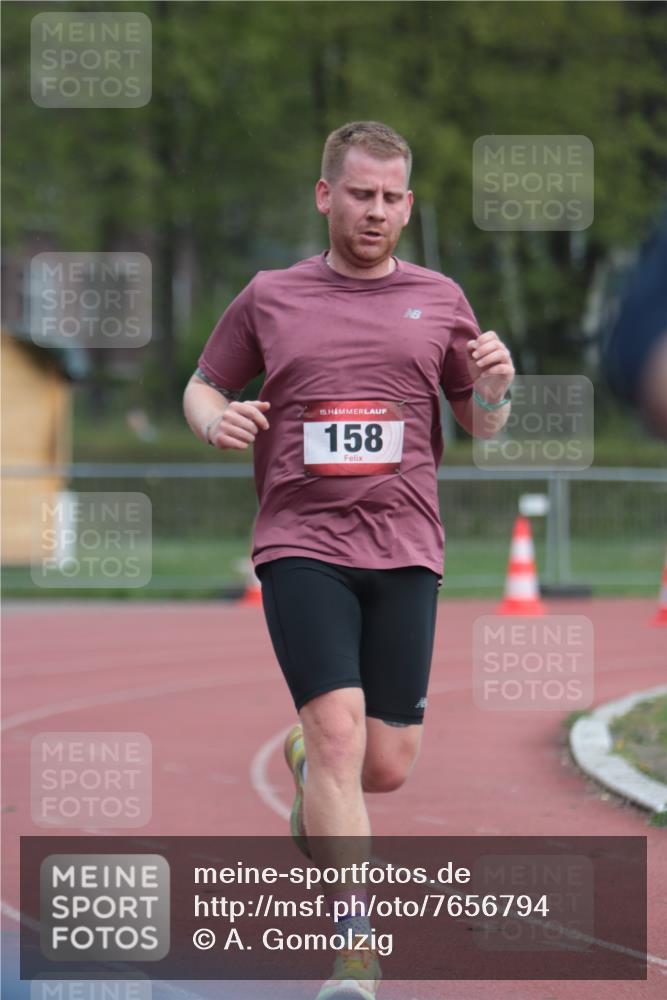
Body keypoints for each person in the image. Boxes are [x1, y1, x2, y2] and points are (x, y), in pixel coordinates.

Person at [183, 121, 514, 1000]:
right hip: (301, 543)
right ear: (325, 195)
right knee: (339, 734)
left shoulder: (440, 298)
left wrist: (493, 390)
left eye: (391, 197)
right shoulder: (270, 296)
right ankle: (356, 946)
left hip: (405, 546)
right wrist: (214, 420)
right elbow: (204, 383)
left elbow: (480, 425)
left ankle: (304, 763)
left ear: (408, 206)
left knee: (384, 765)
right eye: (360, 193)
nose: (375, 210)